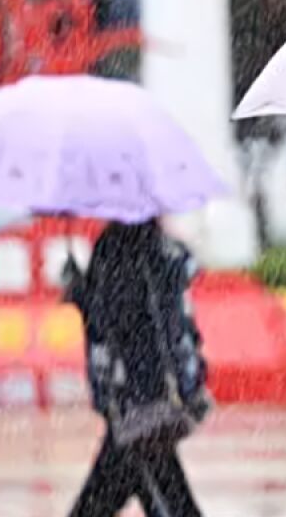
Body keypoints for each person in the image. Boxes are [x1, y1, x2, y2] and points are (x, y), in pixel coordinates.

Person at [65, 220, 208, 517]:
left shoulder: (122, 246)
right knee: (104, 502)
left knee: (163, 502)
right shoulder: (157, 245)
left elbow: (123, 324)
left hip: (140, 407)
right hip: (144, 406)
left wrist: (83, 294)